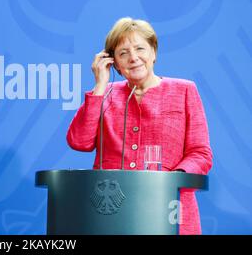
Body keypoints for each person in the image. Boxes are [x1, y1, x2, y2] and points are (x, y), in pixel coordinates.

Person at [66, 17, 213, 235]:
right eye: (123, 53)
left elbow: (200, 154)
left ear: (154, 52)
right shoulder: (105, 94)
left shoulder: (184, 91)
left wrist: (172, 180)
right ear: (113, 62)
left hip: (168, 209)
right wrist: (99, 86)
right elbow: (79, 141)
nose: (133, 58)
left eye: (140, 49)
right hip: (111, 213)